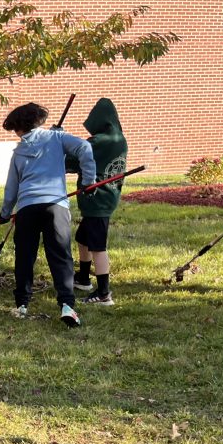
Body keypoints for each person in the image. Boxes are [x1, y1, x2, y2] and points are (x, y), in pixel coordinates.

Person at [0, 102, 96, 327]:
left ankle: (21, 305)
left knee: (25, 256)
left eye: (16, 130)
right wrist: (88, 180)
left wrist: (5, 213)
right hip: (56, 206)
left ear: (22, 127)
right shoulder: (57, 138)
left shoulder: (19, 152)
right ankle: (67, 305)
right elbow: (84, 148)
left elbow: (11, 188)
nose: (17, 135)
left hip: (27, 209)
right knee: (60, 255)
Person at [67, 98, 128, 306]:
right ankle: (83, 279)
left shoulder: (98, 142)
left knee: (98, 247)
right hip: (107, 198)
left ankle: (103, 294)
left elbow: (73, 160)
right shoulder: (120, 139)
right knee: (83, 238)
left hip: (97, 199)